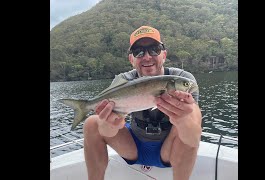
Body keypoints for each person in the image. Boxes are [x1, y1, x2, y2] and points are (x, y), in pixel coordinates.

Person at [83, 25, 202, 180]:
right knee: (92, 123)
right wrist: (110, 123)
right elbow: (107, 132)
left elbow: (193, 140)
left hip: (170, 150)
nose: (147, 57)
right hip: (133, 146)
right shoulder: (124, 81)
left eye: (154, 49)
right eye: (138, 52)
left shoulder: (183, 79)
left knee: (192, 113)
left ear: (164, 54)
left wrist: (183, 119)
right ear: (131, 59)